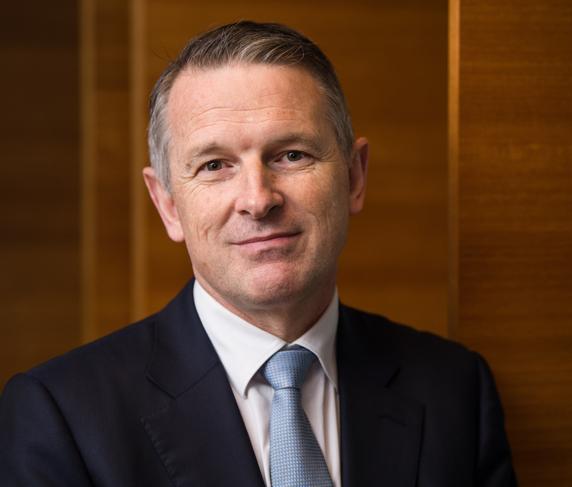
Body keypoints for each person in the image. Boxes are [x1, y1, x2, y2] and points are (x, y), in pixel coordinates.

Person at [0, 21, 516, 486]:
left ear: (355, 178)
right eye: (215, 165)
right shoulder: (61, 417)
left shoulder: (455, 389)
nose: (257, 199)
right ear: (168, 205)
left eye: (292, 155)